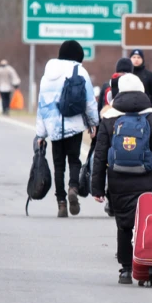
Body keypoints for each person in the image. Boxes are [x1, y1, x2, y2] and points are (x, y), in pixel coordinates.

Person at [91, 73, 152, 285]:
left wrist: (97, 188)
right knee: (148, 223)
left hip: (118, 181)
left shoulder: (109, 118)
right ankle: (146, 265)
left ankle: (126, 270)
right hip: (148, 179)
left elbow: (100, 155)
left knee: (123, 225)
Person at [35, 41, 99, 218]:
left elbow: (42, 105)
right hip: (74, 124)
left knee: (58, 165)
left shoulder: (46, 76)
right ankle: (73, 187)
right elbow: (89, 101)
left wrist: (40, 134)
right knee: (74, 160)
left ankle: (61, 203)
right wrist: (94, 123)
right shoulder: (80, 71)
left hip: (53, 127)